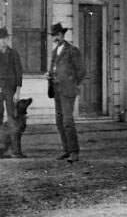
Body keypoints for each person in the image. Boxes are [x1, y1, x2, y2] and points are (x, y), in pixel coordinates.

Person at [47, 22, 85, 162]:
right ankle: (66, 150)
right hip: (56, 90)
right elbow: (53, 69)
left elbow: (81, 71)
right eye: (53, 36)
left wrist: (72, 82)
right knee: (59, 121)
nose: (55, 38)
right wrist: (50, 74)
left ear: (62, 35)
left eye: (57, 35)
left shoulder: (72, 50)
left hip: (68, 91)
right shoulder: (54, 51)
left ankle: (74, 152)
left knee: (68, 121)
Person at [0, 26, 24, 157]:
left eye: (4, 39)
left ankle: (15, 150)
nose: (1, 42)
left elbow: (19, 74)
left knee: (11, 119)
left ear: (8, 39)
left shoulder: (14, 54)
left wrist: (18, 92)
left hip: (10, 89)